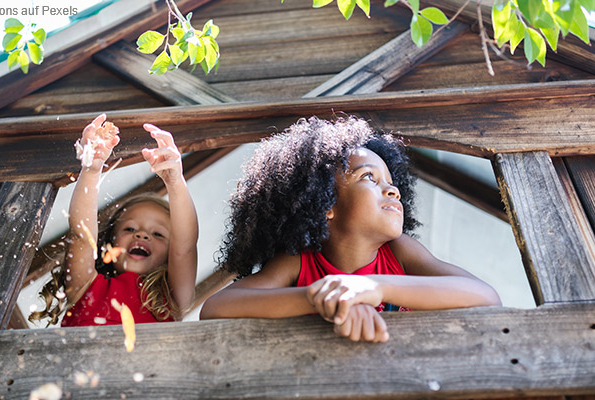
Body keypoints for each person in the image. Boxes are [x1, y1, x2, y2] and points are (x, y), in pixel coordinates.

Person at [200, 116, 500, 341]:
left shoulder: (400, 252)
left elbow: (485, 296)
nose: (392, 191)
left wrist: (372, 288)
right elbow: (216, 307)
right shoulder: (299, 262)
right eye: (369, 177)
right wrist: (322, 298)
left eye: (391, 183)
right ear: (325, 204)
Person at [30, 114, 198, 327]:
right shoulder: (87, 288)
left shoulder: (171, 300)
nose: (142, 234)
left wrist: (175, 181)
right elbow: (82, 235)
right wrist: (91, 169)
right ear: (110, 242)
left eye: (158, 234)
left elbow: (185, 247)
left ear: (170, 255)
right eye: (130, 228)